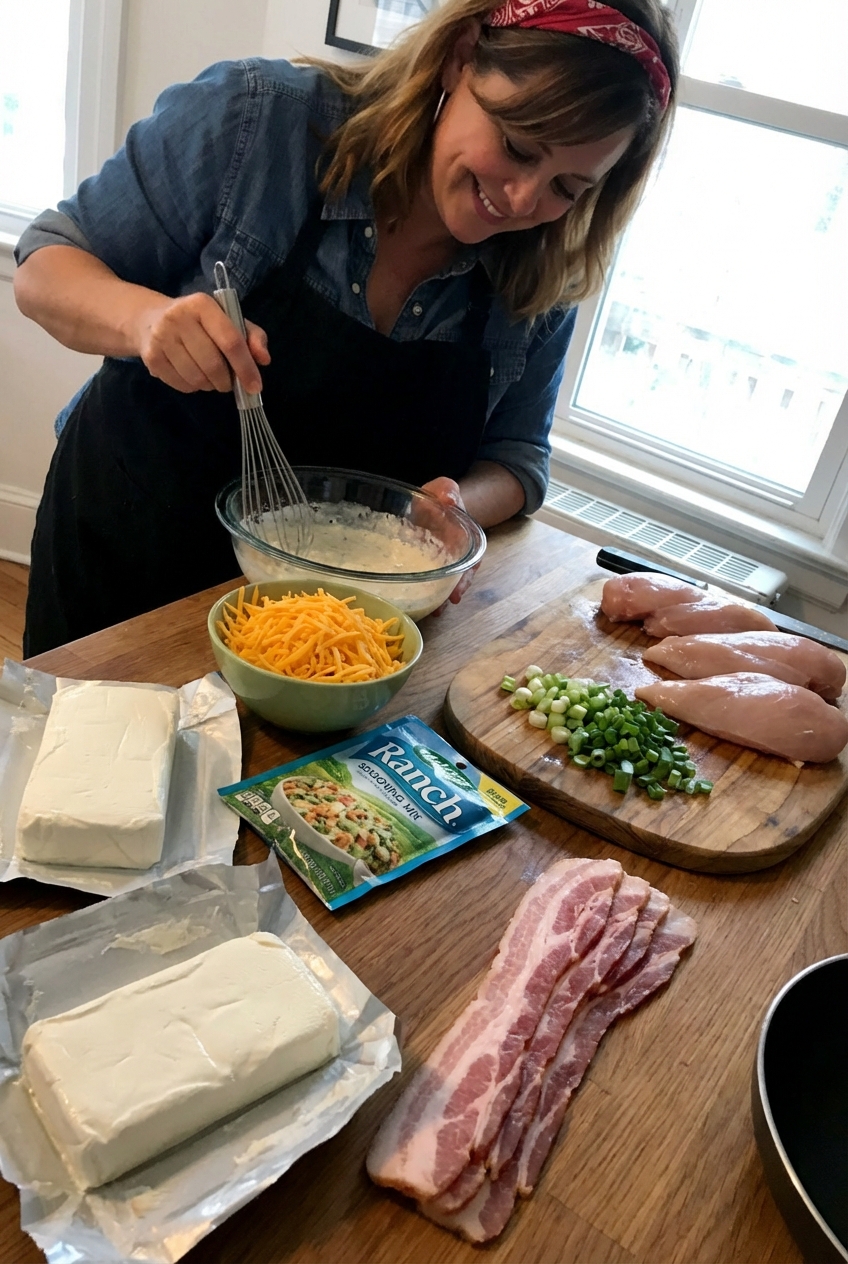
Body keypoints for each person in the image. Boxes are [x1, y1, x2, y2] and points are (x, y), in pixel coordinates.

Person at [14, 0, 678, 656]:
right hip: (128, 557)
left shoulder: (543, 268)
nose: (524, 200)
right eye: (517, 146)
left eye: (569, 187)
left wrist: (457, 506)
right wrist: (145, 320)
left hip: (332, 630)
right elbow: (45, 268)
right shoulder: (260, 120)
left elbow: (518, 458)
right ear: (459, 57)